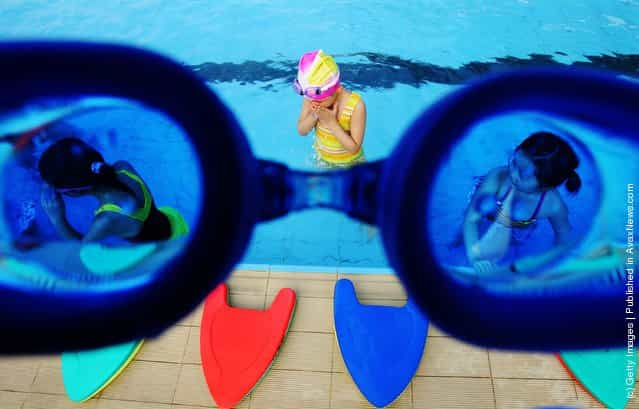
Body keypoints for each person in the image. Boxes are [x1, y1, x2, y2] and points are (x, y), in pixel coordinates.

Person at [463, 131, 581, 275]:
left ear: (546, 185)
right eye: (514, 162)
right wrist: (475, 256)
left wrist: (555, 265)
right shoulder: (498, 178)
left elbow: (564, 239)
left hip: (518, 225)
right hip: (490, 211)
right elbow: (471, 218)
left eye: (523, 174)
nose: (513, 174)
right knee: (466, 227)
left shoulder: (553, 205)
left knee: (515, 242)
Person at [38, 137, 188, 243]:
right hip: (171, 223)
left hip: (162, 249)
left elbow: (81, 252)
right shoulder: (123, 168)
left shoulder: (106, 220)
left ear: (76, 191)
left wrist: (57, 218)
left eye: (60, 191)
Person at [295, 50, 367, 168]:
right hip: (322, 161)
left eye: (319, 99)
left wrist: (331, 123)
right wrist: (314, 116)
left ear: (337, 89)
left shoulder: (356, 106)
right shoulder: (311, 97)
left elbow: (354, 148)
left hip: (351, 166)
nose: (314, 102)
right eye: (309, 98)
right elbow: (301, 130)